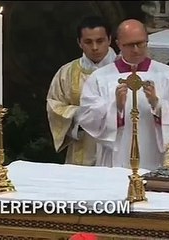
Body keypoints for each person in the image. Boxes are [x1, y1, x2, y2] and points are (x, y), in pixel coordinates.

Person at [78, 19, 169, 170]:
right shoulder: (100, 77)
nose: (136, 50)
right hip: (116, 157)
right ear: (118, 44)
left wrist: (159, 105)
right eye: (129, 45)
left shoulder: (167, 74)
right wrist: (116, 108)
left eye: (141, 43)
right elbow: (87, 116)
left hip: (154, 156)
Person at [46, 16, 117, 166]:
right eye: (88, 42)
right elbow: (54, 105)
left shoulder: (124, 72)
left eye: (100, 41)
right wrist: (79, 115)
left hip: (117, 147)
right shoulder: (67, 72)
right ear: (79, 43)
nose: (95, 47)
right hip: (83, 146)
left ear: (109, 40)